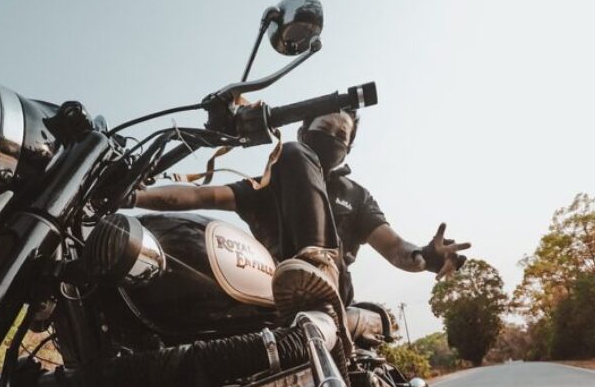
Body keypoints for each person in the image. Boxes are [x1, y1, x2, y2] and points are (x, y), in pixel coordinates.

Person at [131, 111, 470, 319]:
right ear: (304, 132)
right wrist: (133, 196)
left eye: (342, 136)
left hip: (334, 290)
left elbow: (396, 248)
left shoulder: (356, 196)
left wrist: (427, 257)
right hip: (267, 290)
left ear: (348, 149)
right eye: (326, 129)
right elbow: (199, 195)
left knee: (292, 155)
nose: (333, 139)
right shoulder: (267, 183)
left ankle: (319, 269)